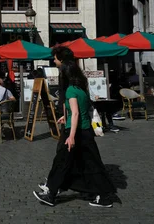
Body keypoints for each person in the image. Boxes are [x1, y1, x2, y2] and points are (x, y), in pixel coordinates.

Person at [34, 60, 116, 208]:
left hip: (76, 132)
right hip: (85, 131)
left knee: (63, 163)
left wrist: (71, 136)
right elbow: (78, 110)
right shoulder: (81, 90)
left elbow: (76, 113)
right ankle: (102, 194)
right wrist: (65, 117)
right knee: (90, 164)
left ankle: (51, 194)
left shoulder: (71, 90)